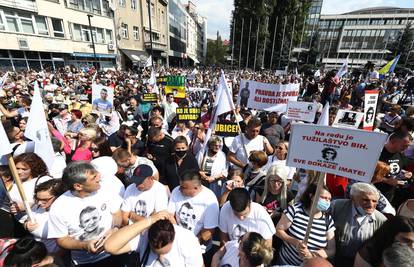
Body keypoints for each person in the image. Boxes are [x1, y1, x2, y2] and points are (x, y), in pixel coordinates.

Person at [47, 161, 123, 266]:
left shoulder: (105, 190)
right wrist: (85, 245)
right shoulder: (59, 207)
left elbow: (117, 214)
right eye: (93, 177)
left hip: (115, 253)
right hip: (85, 262)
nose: (99, 178)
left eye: (97, 174)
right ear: (78, 186)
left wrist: (115, 229)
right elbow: (62, 240)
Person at [104, 211, 204, 266]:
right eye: (155, 251)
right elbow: (109, 246)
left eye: (164, 252)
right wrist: (149, 221)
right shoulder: (145, 235)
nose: (161, 255)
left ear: (173, 237)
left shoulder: (187, 239)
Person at [275, 183, 335, 266]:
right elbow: (278, 230)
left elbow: (332, 250)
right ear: (311, 196)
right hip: (287, 262)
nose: (327, 201)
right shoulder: (295, 210)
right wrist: (295, 242)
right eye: (324, 198)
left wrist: (314, 255)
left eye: (329, 199)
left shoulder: (328, 220)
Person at [330, 182, 387, 267]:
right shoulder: (336, 207)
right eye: (365, 200)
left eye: (374, 201)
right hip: (334, 259)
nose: (371, 205)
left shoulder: (381, 220)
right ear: (353, 198)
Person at [167, 170, 219, 260]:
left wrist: (190, 244)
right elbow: (169, 215)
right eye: (180, 185)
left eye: (183, 187)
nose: (179, 189)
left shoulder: (209, 199)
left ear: (195, 188)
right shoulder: (176, 191)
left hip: (199, 249)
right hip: (176, 244)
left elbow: (208, 232)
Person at [21, 179, 67, 253]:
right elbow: (26, 219)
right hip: (37, 252)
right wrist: (26, 225)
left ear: (59, 197)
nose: (39, 203)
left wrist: (53, 257)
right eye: (37, 199)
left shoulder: (64, 213)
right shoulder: (36, 207)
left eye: (44, 200)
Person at [378, 130, 412, 204]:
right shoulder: (377, 153)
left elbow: (396, 167)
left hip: (388, 196)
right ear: (393, 141)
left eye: (408, 146)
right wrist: (386, 180)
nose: (406, 149)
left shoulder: (400, 154)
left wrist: (404, 172)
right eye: (404, 146)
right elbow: (367, 174)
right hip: (374, 194)